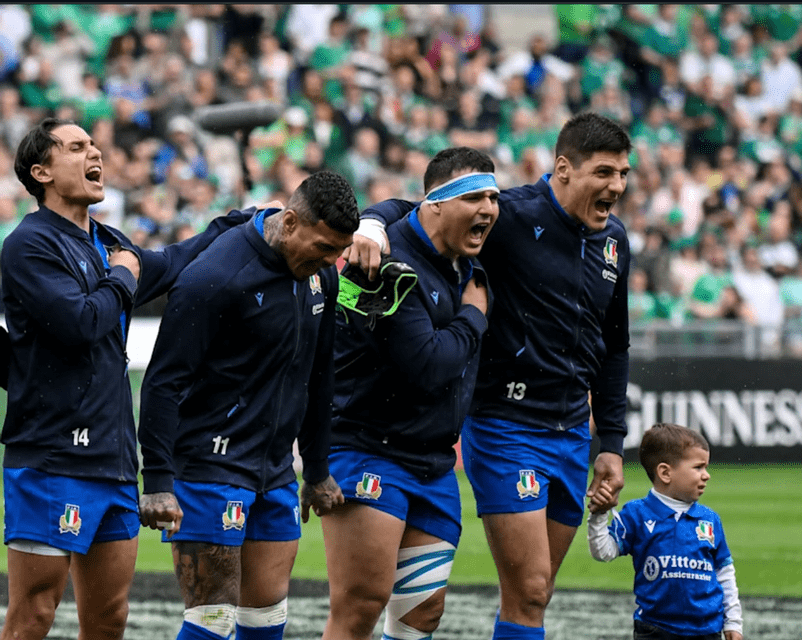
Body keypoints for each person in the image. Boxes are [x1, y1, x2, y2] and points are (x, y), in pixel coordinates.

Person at [348, 111, 632, 639]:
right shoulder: (507, 215)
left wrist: (611, 441)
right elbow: (423, 209)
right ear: (564, 168)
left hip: (572, 431)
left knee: (536, 595)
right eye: (604, 172)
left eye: (623, 173)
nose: (616, 185)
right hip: (506, 424)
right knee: (527, 586)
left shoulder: (614, 239)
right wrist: (369, 220)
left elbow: (615, 347)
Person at [0, 117, 252, 640]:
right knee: (33, 616)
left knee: (110, 619)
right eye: (76, 147)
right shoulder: (29, 245)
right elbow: (81, 323)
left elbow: (170, 263)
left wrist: (231, 227)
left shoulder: (107, 239)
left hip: (114, 464)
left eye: (93, 144)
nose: (95, 153)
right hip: (51, 459)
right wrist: (124, 274)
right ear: (41, 171)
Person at [137, 170, 360, 640]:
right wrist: (157, 479)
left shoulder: (321, 275)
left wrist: (316, 470)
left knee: (265, 624)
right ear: (291, 221)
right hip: (208, 467)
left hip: (276, 471)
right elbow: (162, 382)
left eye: (339, 251)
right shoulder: (214, 276)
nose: (331, 260)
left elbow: (320, 377)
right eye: (324, 247)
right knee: (212, 624)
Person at [322, 147, 500, 640]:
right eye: (474, 197)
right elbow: (429, 366)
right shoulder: (390, 262)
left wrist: (376, 214)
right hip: (369, 452)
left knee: (420, 618)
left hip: (433, 463)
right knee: (359, 608)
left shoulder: (456, 247)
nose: (488, 208)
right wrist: (475, 315)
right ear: (437, 204)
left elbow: (401, 206)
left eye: (493, 197)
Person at [587, 423, 744, 640]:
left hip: (707, 631)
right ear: (665, 473)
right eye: (698, 467)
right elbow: (603, 552)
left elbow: (724, 573)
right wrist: (599, 516)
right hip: (654, 630)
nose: (706, 475)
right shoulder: (637, 513)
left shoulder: (709, 520)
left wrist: (733, 622)